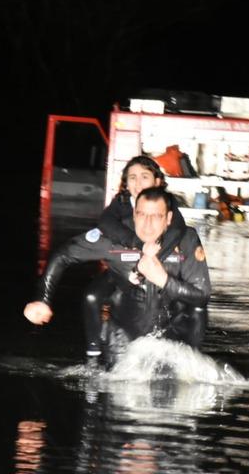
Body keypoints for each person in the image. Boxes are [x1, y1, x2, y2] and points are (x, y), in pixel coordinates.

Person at [23, 187, 210, 365]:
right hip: (123, 342)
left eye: (156, 216)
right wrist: (43, 299)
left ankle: (192, 360)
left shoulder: (186, 239)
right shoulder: (114, 238)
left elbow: (202, 296)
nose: (147, 224)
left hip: (172, 340)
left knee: (197, 309)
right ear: (134, 214)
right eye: (142, 214)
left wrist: (164, 280)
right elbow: (63, 255)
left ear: (168, 218)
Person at [79, 156, 187, 360]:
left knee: (184, 303)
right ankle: (92, 355)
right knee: (91, 297)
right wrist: (136, 244)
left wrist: (150, 260)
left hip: (157, 269)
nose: (138, 183)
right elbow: (105, 222)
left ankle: (178, 353)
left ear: (157, 181)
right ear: (126, 183)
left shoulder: (167, 202)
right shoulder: (121, 202)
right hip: (123, 268)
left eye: (144, 177)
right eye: (132, 178)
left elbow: (177, 231)